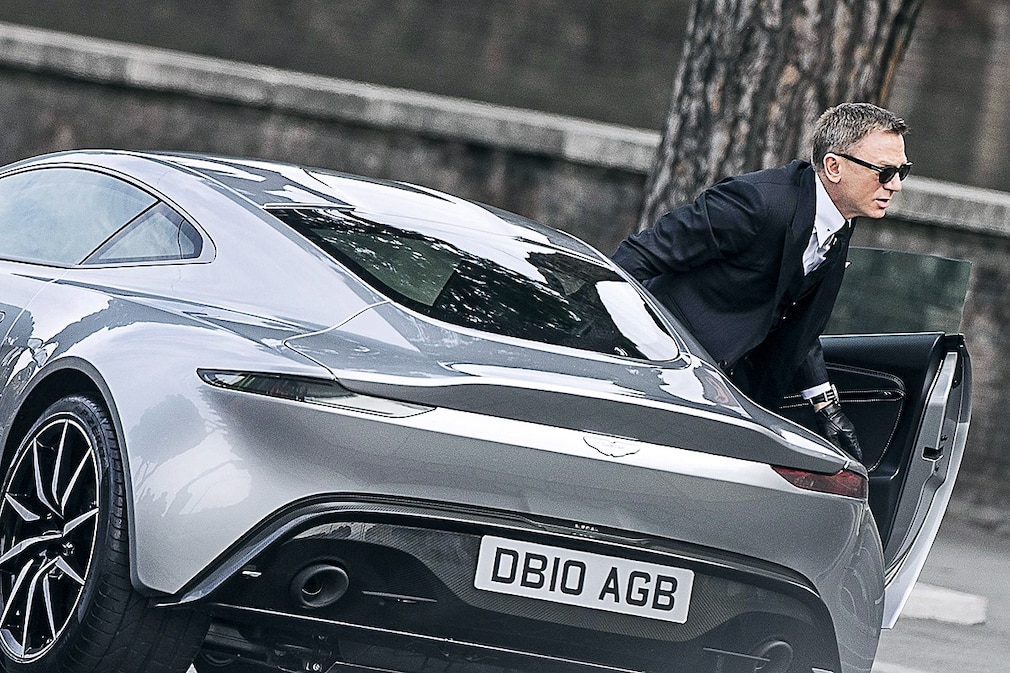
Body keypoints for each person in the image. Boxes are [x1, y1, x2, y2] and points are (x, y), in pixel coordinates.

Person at [612, 102, 912, 462]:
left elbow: (794, 314)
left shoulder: (841, 217)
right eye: (885, 172)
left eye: (902, 170)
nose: (895, 185)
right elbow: (639, 256)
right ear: (834, 167)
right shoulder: (756, 202)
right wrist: (630, 347)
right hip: (664, 373)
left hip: (732, 390)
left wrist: (826, 408)